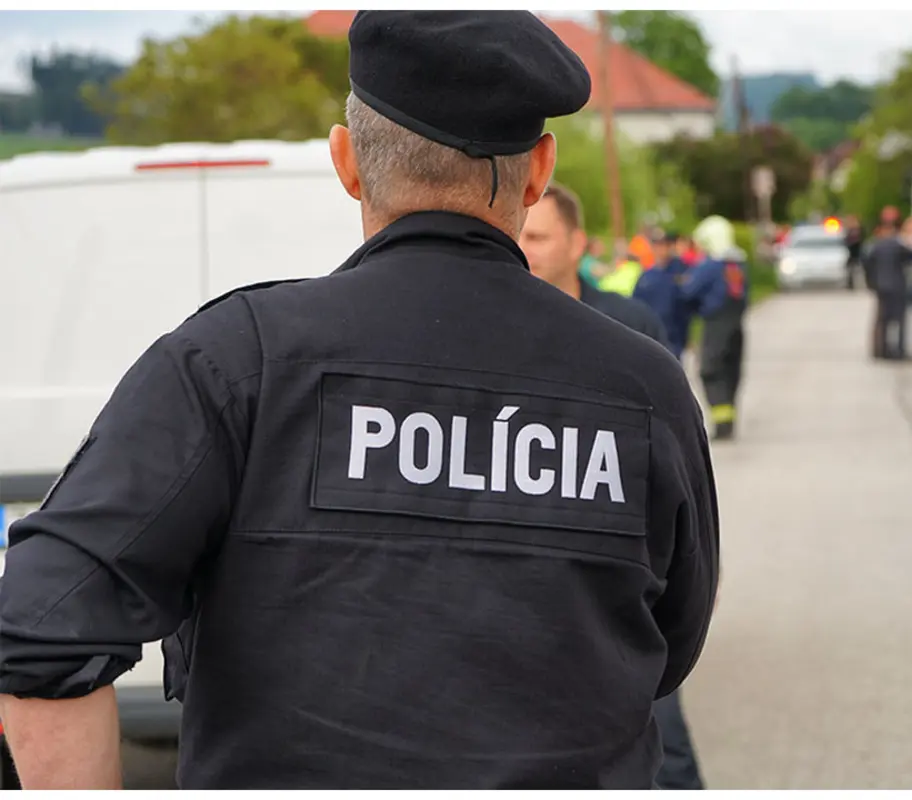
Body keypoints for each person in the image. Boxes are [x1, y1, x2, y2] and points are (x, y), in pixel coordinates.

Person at [0, 11, 720, 790]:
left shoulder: (238, 362)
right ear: (539, 170)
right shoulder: (642, 386)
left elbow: (39, 631)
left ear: (346, 162)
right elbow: (670, 644)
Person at [518, 183, 707, 792]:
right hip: (537, 561)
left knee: (659, 727)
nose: (526, 248)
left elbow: (674, 447)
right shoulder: (496, 327)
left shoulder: (629, 326)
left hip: (623, 559)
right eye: (520, 234)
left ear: (579, 244)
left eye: (540, 236)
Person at [685, 215, 749, 441]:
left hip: (715, 325)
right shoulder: (738, 265)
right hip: (736, 325)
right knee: (731, 371)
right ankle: (729, 420)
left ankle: (722, 425)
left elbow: (689, 291)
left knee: (711, 370)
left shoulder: (710, 267)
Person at [632, 232, 693, 360]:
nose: (661, 250)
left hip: (673, 337)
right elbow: (636, 306)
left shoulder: (681, 271)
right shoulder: (646, 277)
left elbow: (687, 303)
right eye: (657, 246)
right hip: (649, 337)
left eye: (664, 245)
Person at [863, 216, 912, 361]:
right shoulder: (899, 246)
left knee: (881, 320)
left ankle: (880, 350)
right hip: (898, 287)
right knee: (900, 319)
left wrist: (871, 282)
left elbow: (867, 265)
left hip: (881, 286)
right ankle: (899, 350)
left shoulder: (875, 246)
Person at [843, 215, 864, 291]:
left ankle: (852, 284)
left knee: (853, 269)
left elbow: (854, 242)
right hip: (852, 253)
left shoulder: (855, 231)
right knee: (851, 270)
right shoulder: (852, 230)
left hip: (855, 253)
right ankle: (850, 284)